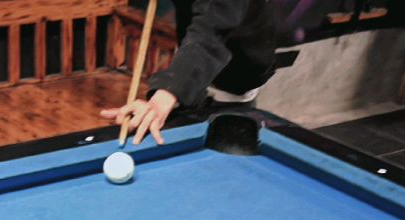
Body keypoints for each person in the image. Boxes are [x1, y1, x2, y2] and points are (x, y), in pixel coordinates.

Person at [101, 0, 277, 145]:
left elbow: (212, 32)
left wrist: (168, 93)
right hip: (192, 47)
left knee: (227, 145)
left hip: (235, 70)